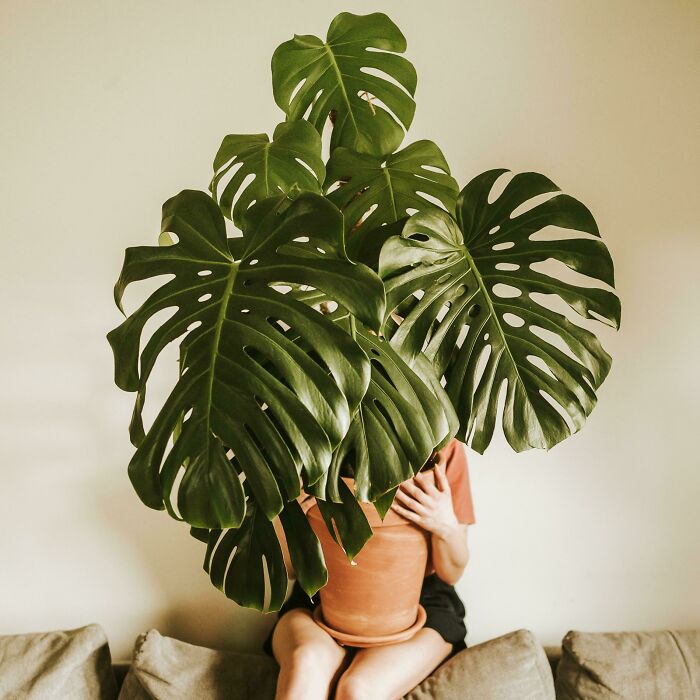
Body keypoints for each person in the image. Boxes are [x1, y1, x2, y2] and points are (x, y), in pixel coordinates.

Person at [263, 439, 476, 700]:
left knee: (358, 690)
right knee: (306, 663)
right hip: (321, 596)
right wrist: (293, 513)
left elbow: (451, 572)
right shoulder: (308, 435)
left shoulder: (441, 440)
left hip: (420, 604)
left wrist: (445, 525)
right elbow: (289, 569)